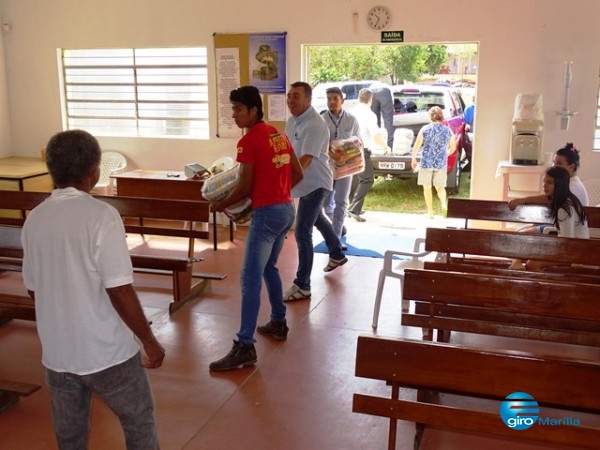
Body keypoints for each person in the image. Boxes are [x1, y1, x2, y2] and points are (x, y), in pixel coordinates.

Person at [21, 130, 165, 449]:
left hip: (58, 355)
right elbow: (119, 290)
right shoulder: (101, 216)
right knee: (138, 420)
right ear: (94, 172)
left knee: (70, 437)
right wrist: (149, 341)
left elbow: (34, 290)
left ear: (51, 171)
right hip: (107, 353)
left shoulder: (36, 219)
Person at [208, 86, 304, 371]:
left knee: (249, 278)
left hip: (267, 216)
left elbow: (244, 186)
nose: (234, 114)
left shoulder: (248, 141)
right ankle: (278, 321)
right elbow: (297, 173)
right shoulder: (279, 135)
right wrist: (278, 192)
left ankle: (245, 345)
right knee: (268, 268)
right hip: (286, 210)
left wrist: (219, 203)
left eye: (239, 109)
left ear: (253, 111)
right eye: (232, 109)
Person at [283, 81, 347, 302]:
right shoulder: (292, 121)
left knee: (302, 232)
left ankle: (303, 285)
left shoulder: (315, 124)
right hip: (305, 183)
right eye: (289, 95)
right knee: (318, 218)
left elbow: (306, 160)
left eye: (296, 96)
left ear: (308, 100)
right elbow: (287, 154)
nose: (291, 100)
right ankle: (337, 253)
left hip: (316, 183)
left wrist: (283, 185)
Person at [508, 166, 589, 271]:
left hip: (575, 254)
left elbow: (566, 241)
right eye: (544, 182)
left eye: (550, 182)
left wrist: (544, 248)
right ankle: (516, 262)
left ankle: (545, 286)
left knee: (532, 264)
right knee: (523, 248)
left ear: (560, 184)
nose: (544, 186)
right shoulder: (563, 200)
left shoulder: (564, 208)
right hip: (570, 248)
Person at [321, 86, 361, 243]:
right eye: (329, 99)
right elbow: (319, 144)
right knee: (325, 204)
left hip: (346, 167)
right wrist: (332, 154)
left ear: (342, 101)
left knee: (341, 201)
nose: (332, 102)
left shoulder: (351, 120)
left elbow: (358, 143)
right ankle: (338, 223)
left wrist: (346, 154)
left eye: (335, 99)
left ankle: (336, 237)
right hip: (327, 167)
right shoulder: (322, 120)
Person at [347, 88, 390, 222]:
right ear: (370, 100)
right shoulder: (369, 114)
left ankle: (352, 205)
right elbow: (375, 134)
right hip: (362, 150)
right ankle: (354, 209)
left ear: (359, 98)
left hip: (349, 148)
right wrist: (385, 146)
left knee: (354, 178)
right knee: (367, 179)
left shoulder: (351, 111)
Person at [509, 142, 589, 211]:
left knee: (526, 229)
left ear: (571, 167)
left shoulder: (573, 185)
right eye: (554, 163)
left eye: (559, 163)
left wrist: (523, 200)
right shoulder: (566, 181)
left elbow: (548, 199)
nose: (554, 166)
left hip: (570, 227)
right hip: (557, 223)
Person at [411, 105, 456, 218]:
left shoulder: (425, 129)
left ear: (430, 117)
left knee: (427, 187)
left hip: (426, 162)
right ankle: (444, 204)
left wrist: (413, 158)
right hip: (441, 163)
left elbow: (417, 145)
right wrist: (445, 154)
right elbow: (453, 148)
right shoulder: (448, 131)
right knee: (440, 187)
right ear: (441, 117)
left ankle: (430, 213)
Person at [369, 83, 395, 148]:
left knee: (374, 120)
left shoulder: (372, 85)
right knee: (388, 120)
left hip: (371, 92)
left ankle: (376, 144)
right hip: (384, 93)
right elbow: (392, 103)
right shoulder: (388, 88)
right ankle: (389, 144)